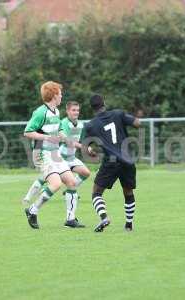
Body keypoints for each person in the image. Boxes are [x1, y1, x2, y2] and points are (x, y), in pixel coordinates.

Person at [23, 81, 84, 229]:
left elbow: (58, 132)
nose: (62, 96)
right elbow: (27, 132)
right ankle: (33, 210)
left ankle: (70, 219)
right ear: (54, 95)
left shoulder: (56, 111)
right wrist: (46, 137)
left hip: (54, 153)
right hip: (41, 153)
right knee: (56, 184)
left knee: (72, 182)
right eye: (60, 93)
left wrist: (72, 142)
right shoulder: (40, 112)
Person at [83, 94, 140, 232]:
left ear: (92, 108)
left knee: (96, 192)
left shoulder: (90, 125)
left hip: (111, 162)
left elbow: (85, 146)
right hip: (127, 160)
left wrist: (90, 150)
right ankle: (128, 225)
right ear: (104, 103)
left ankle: (104, 217)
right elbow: (137, 123)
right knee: (128, 192)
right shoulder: (118, 114)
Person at [58, 101, 91, 223]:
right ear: (67, 111)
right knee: (47, 182)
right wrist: (84, 147)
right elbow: (68, 142)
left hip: (71, 158)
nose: (76, 112)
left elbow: (75, 142)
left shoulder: (80, 124)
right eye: (73, 110)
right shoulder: (64, 122)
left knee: (86, 173)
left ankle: (68, 192)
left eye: (77, 110)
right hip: (61, 157)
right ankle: (30, 201)